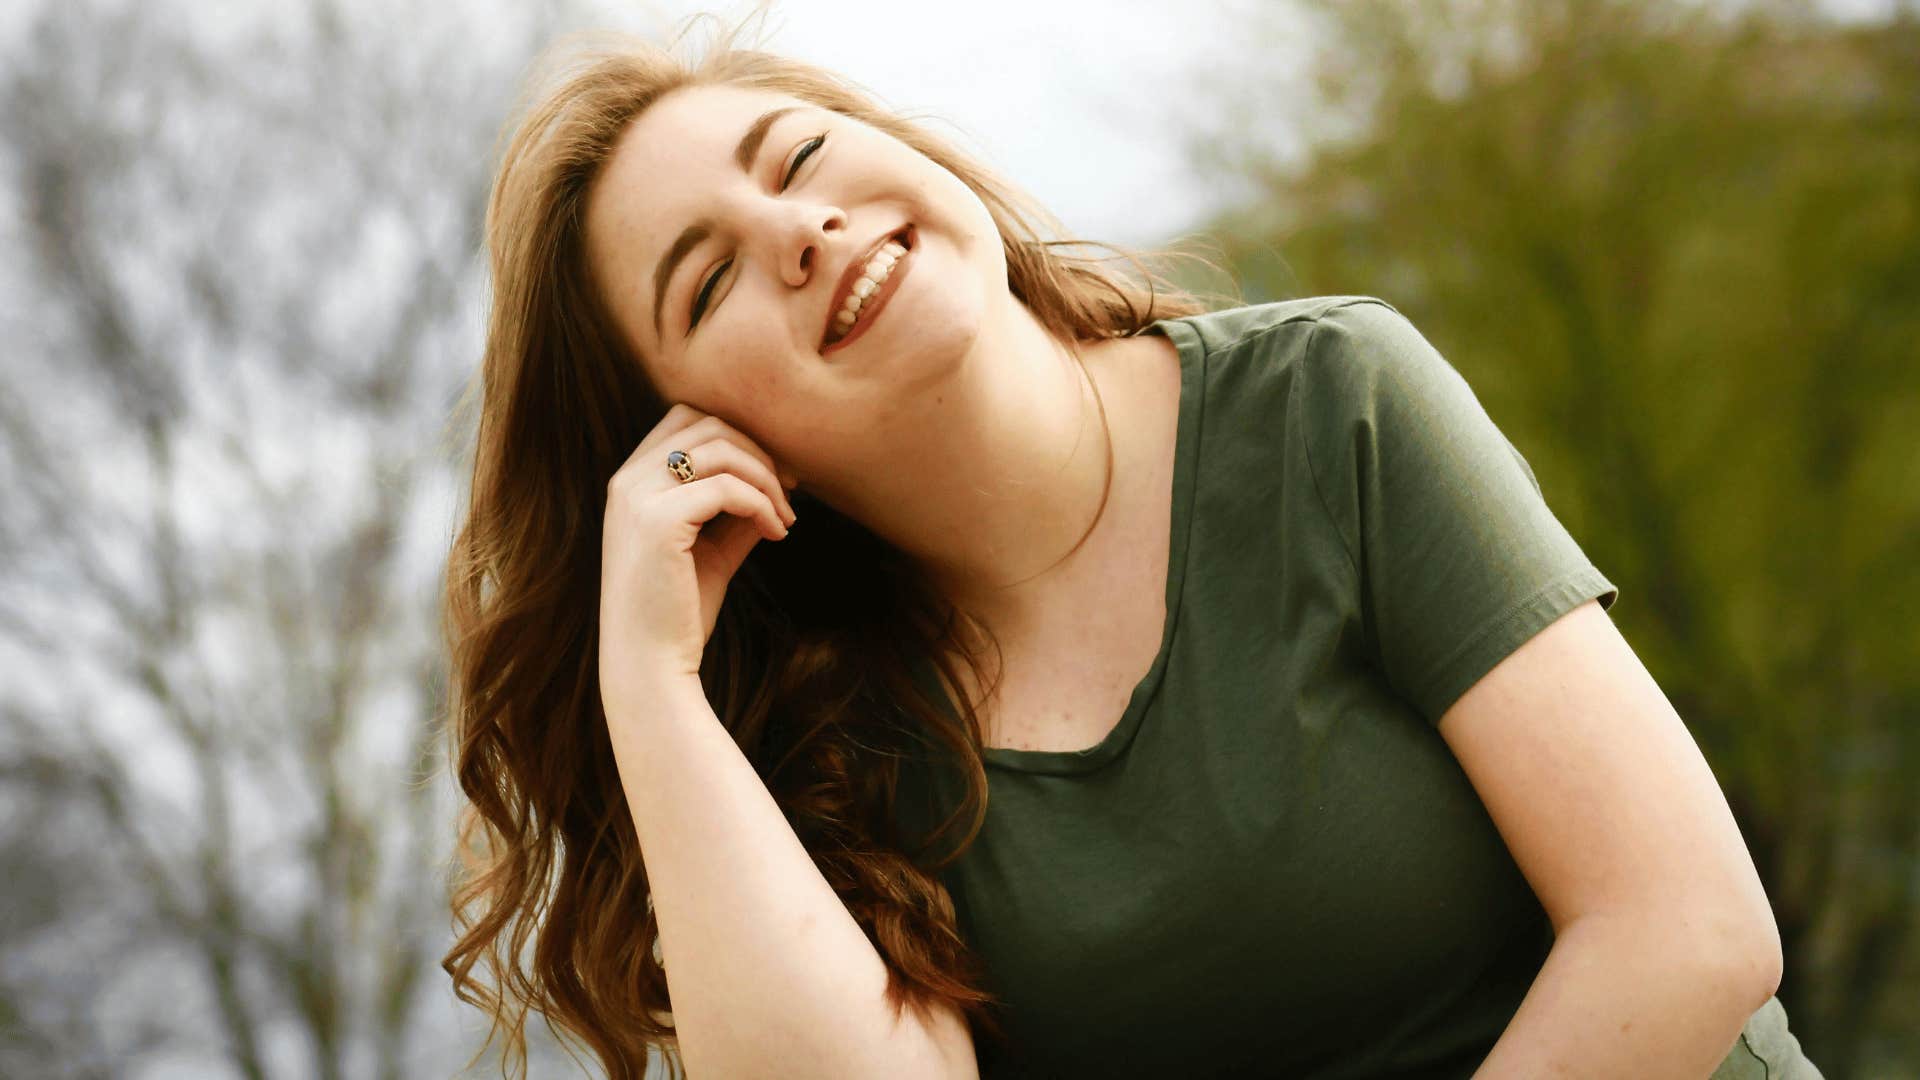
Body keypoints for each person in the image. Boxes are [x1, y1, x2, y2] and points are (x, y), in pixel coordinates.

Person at [438, 10, 1824, 1080]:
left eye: (797, 158)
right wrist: (652, 685)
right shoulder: (819, 748)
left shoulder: (1329, 402)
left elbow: (1689, 930)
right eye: (712, 276)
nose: (797, 231)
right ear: (696, 434)